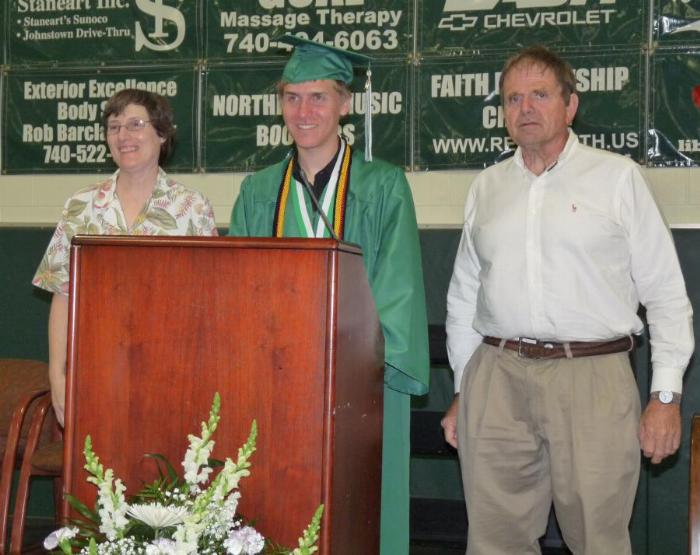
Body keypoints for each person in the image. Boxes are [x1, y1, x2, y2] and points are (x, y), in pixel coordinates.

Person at [440, 45, 694, 555]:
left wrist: (665, 397)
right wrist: (467, 389)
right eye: (513, 99)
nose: (526, 108)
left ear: (570, 105)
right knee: (494, 541)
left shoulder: (617, 178)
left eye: (540, 95)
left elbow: (666, 293)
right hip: (497, 375)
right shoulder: (487, 187)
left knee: (599, 540)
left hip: (593, 377)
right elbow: (465, 294)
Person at [229, 36, 430, 554]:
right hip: (278, 385)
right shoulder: (259, 190)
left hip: (360, 385)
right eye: (292, 97)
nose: (304, 110)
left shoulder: (382, 186)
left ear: (345, 103)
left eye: (318, 97)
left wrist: (351, 363)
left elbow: (398, 286)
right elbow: (239, 292)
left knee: (360, 515)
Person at [33, 88, 218, 427]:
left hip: (172, 372)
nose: (124, 136)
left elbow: (207, 306)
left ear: (161, 134)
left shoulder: (192, 208)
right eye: (114, 127)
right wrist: (57, 375)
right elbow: (62, 296)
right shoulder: (81, 205)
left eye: (135, 124)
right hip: (95, 373)